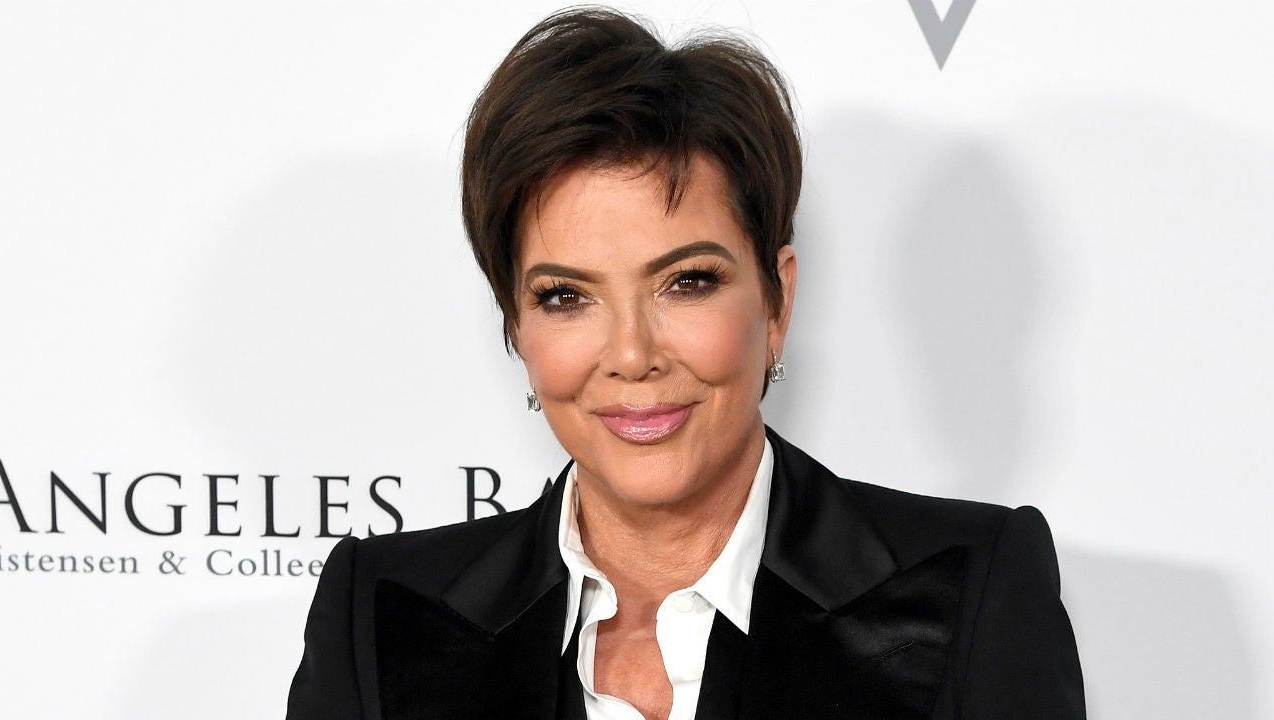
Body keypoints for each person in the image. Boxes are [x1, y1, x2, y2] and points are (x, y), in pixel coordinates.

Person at [286, 8, 1085, 720]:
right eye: (566, 296)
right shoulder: (382, 615)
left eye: (687, 282)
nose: (632, 354)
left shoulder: (969, 590)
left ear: (777, 301)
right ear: (516, 326)